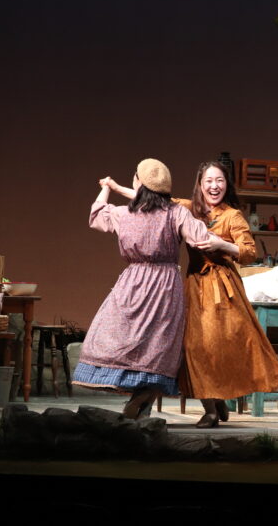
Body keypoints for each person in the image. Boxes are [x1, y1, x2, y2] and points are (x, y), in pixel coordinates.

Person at [104, 161, 278, 428]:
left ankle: (215, 403)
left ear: (226, 185)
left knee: (215, 347)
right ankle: (212, 406)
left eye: (219, 181)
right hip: (194, 285)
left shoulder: (232, 216)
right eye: (208, 181)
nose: (214, 186)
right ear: (200, 185)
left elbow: (249, 252)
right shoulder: (188, 208)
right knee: (192, 346)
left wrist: (221, 244)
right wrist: (115, 188)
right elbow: (152, 199)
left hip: (223, 288)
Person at [73, 159, 223, 419]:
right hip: (165, 284)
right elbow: (200, 238)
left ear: (138, 183)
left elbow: (97, 216)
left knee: (124, 334)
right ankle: (144, 397)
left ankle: (139, 399)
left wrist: (106, 188)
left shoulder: (124, 214)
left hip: (132, 281)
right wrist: (225, 243)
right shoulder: (176, 213)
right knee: (160, 343)